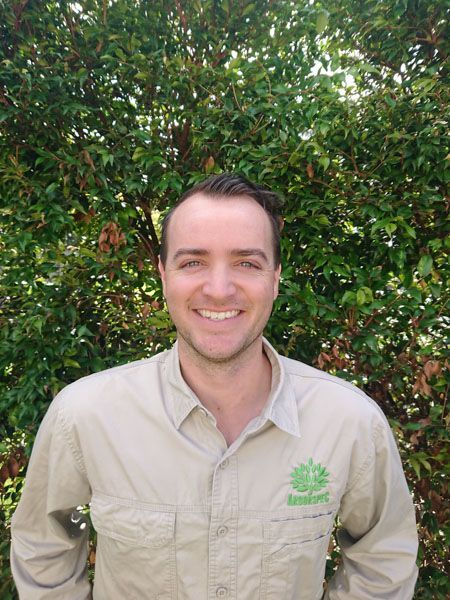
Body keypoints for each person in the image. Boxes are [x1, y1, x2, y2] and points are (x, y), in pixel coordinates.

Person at [11, 173, 418, 599]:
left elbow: (382, 556)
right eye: (193, 262)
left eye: (247, 262)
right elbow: (47, 541)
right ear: (163, 276)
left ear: (275, 278)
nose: (220, 290)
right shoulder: (85, 416)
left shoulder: (348, 422)